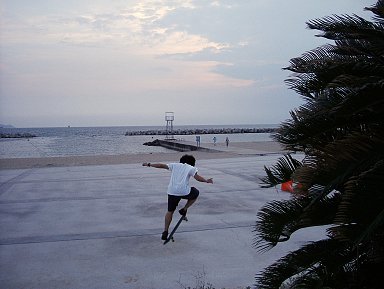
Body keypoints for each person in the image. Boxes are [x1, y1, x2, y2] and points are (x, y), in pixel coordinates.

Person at [142, 154, 213, 241]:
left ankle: (165, 231)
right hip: (184, 192)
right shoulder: (191, 168)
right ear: (192, 162)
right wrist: (206, 180)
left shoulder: (174, 165)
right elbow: (197, 177)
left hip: (172, 192)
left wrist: (149, 164)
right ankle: (184, 209)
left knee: (170, 211)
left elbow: (161, 165)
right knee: (195, 192)